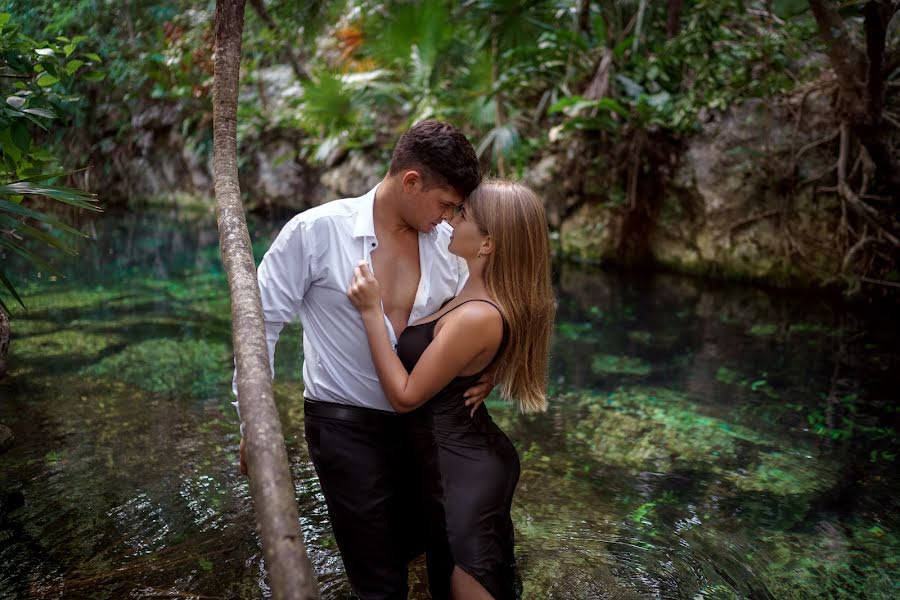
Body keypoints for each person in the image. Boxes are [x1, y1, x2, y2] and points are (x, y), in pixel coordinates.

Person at [233, 120, 494, 599]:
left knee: (439, 550)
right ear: (411, 181)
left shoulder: (447, 249)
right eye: (446, 205)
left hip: (424, 425)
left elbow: (477, 317)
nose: (449, 217)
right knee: (377, 580)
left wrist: (489, 370)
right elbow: (259, 323)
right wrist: (252, 422)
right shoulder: (315, 232)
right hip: (344, 425)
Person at [347, 179, 555, 600]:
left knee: (467, 581)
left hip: (461, 471)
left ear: (487, 244)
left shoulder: (478, 315)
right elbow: (519, 319)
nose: (451, 219)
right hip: (461, 461)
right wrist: (491, 370)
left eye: (463, 215)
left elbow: (405, 397)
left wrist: (371, 312)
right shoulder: (480, 295)